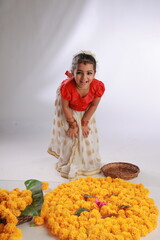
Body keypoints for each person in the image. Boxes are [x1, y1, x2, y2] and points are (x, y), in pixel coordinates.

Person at [48, 51, 105, 180]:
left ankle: (85, 163)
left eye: (89, 73)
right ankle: (69, 161)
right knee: (71, 136)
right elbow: (65, 106)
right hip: (69, 111)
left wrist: (84, 123)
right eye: (79, 72)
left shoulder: (98, 86)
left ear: (94, 73)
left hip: (86, 112)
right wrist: (73, 124)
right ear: (73, 72)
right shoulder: (67, 87)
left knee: (86, 136)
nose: (84, 78)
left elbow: (94, 105)